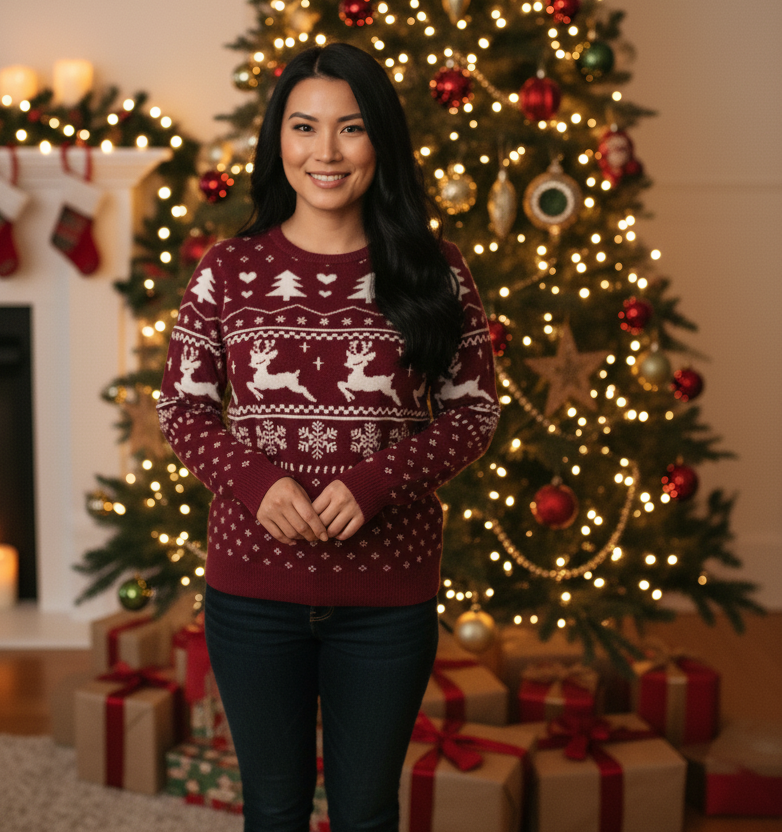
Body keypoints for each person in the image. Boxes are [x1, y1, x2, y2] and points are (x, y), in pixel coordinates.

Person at [157, 42, 499, 832]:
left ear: (381, 139)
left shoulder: (436, 270)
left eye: (351, 128)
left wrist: (377, 482)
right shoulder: (228, 270)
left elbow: (474, 413)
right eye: (305, 127)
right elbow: (182, 408)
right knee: (273, 808)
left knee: (367, 812)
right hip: (251, 596)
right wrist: (257, 484)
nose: (327, 153)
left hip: (387, 600)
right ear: (278, 139)